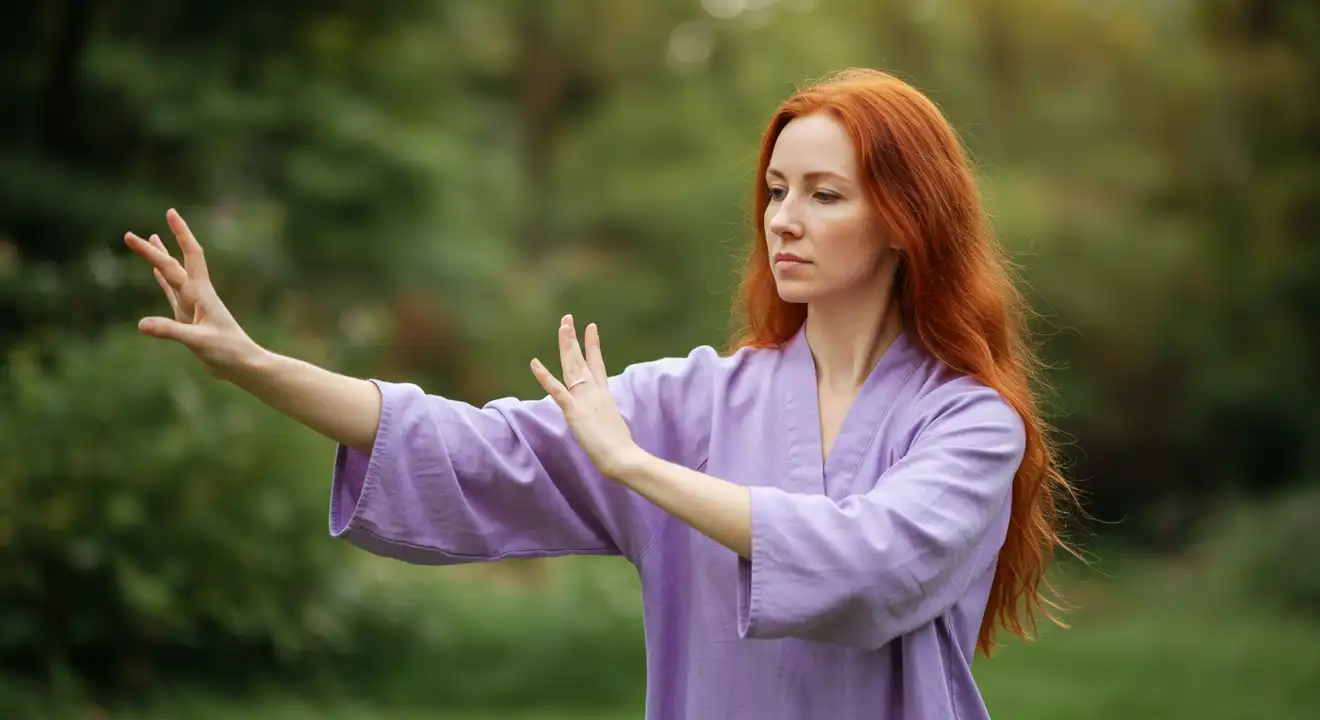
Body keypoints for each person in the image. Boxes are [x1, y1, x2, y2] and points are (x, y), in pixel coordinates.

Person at [124, 68, 1076, 720]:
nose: (784, 220)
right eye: (776, 191)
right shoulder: (695, 401)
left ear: (906, 221)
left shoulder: (969, 424)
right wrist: (252, 361)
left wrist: (633, 467)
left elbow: (870, 570)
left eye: (825, 195)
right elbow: (470, 448)